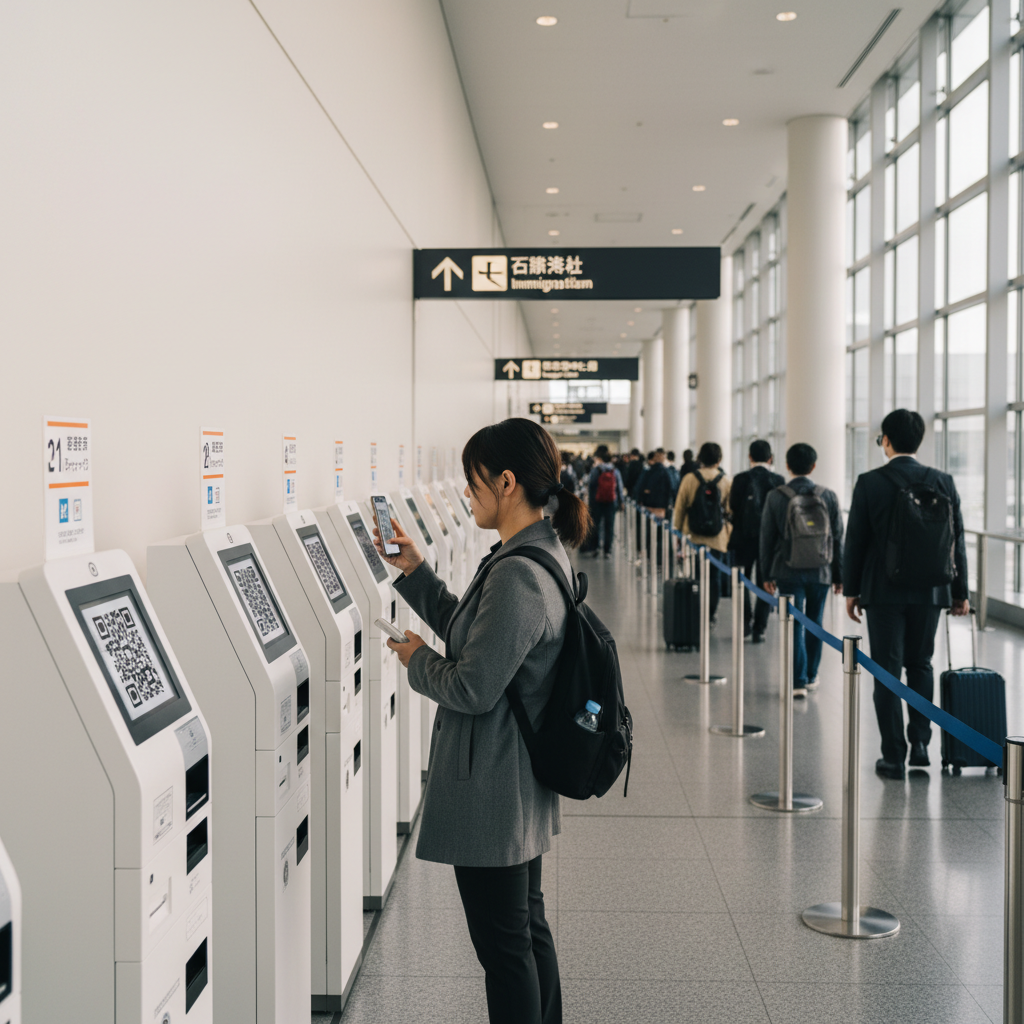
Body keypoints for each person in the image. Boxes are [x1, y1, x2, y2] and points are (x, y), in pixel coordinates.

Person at [372, 417, 589, 1024]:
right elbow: (477, 638)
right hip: (515, 778)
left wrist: (417, 662)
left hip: (497, 784)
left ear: (507, 482)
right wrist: (414, 573)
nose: (468, 497)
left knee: (504, 947)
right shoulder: (531, 552)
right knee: (524, 928)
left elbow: (472, 684)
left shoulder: (519, 573)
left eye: (474, 485)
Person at [843, 408, 970, 780]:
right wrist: (959, 593)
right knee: (921, 664)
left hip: (882, 593)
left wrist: (852, 590)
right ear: (919, 440)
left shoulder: (870, 482)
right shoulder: (943, 481)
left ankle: (893, 756)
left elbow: (856, 543)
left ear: (886, 440)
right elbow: (956, 542)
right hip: (931, 591)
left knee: (886, 670)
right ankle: (920, 744)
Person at [760, 443, 844, 698]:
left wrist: (766, 575)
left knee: (794, 623)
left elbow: (766, 538)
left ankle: (796, 681)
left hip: (787, 570)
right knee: (815, 621)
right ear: (813, 466)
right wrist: (840, 576)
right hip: (821, 571)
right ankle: (811, 676)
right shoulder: (827, 495)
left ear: (787, 465)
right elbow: (838, 538)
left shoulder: (776, 496)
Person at [729, 440, 784, 641]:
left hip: (743, 537)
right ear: (770, 458)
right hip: (769, 541)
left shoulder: (740, 479)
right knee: (766, 581)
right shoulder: (778, 480)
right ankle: (760, 627)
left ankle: (744, 623)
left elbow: (733, 506)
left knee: (741, 580)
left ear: (750, 457)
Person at [673, 442, 732, 624]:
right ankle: (710, 613)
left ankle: (695, 611)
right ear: (719, 459)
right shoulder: (725, 480)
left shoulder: (690, 479)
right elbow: (729, 512)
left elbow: (680, 508)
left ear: (699, 459)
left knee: (694, 576)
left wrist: (678, 534)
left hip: (692, 537)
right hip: (717, 539)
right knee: (714, 578)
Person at [587, 444, 624, 557]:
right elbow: (619, 488)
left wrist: (590, 501)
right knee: (609, 525)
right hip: (611, 502)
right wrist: (621, 501)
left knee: (596, 525)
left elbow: (591, 485)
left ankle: (595, 548)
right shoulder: (615, 470)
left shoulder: (595, 470)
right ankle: (607, 550)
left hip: (597, 501)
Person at [637, 448, 671, 518]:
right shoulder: (666, 473)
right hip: (662, 507)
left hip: (649, 505)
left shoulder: (648, 472)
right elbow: (670, 489)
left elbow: (641, 487)